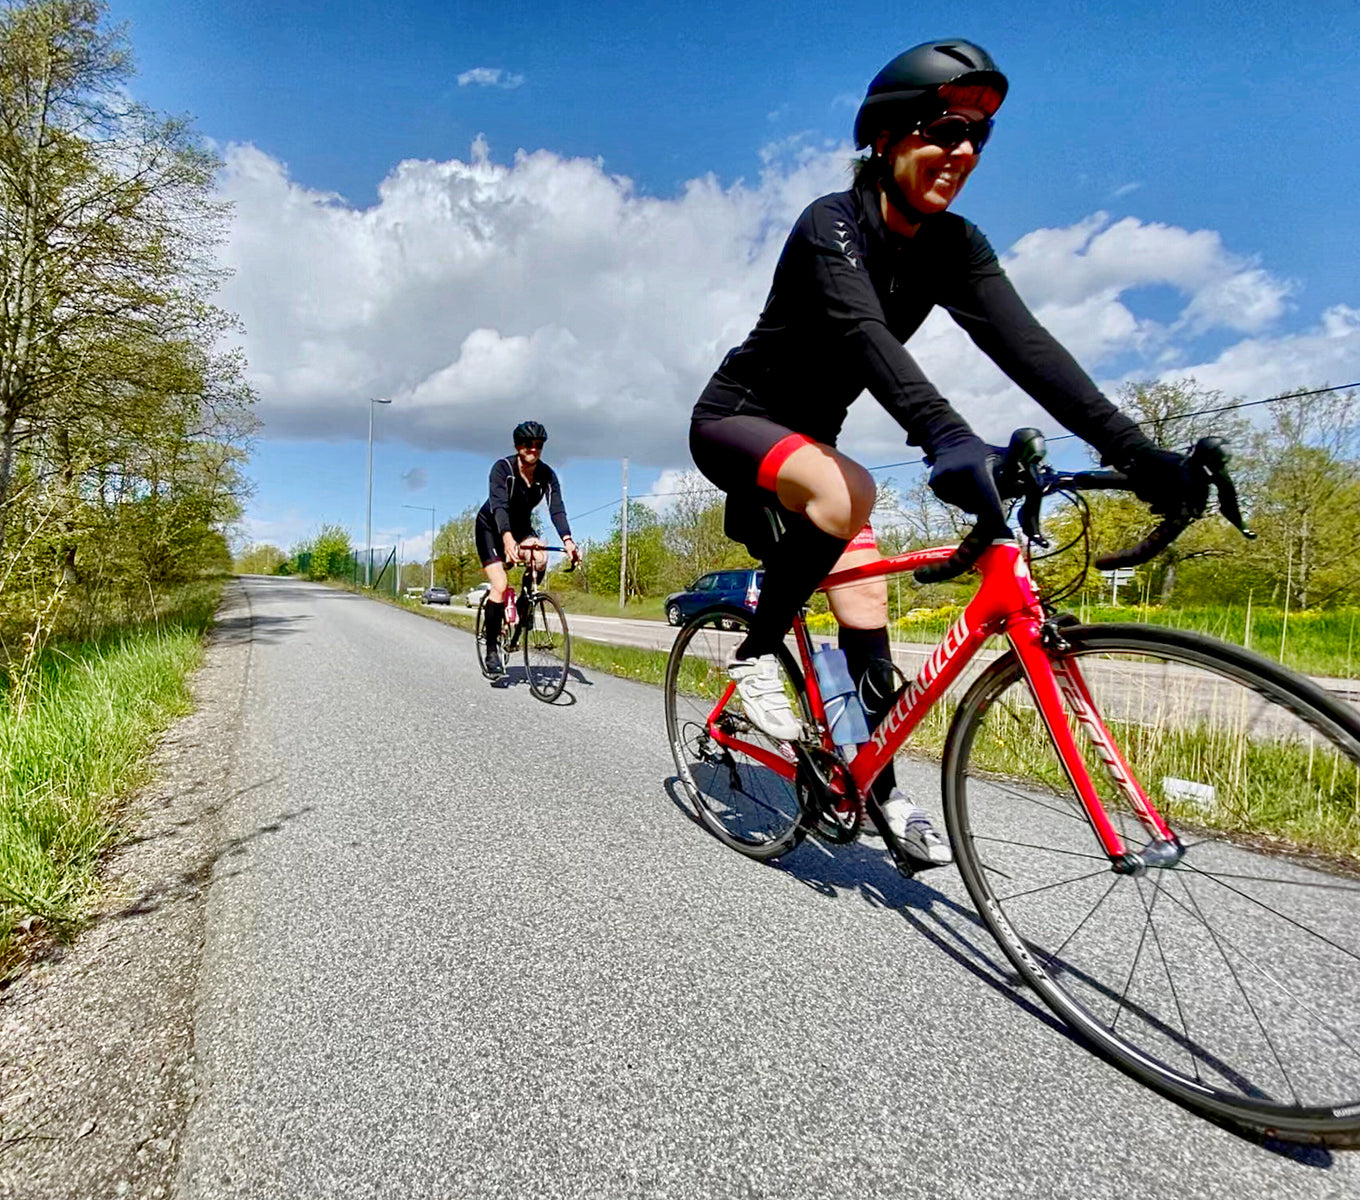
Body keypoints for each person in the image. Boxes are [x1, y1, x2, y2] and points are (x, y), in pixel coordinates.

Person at [687, 39, 1203, 865]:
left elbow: (1030, 349)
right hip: (734, 420)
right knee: (849, 490)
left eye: (977, 139)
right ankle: (753, 660)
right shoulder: (833, 223)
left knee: (866, 608)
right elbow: (862, 335)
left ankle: (877, 789)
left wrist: (1139, 456)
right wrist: (947, 436)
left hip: (812, 445)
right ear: (888, 137)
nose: (961, 152)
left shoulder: (954, 246)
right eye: (941, 130)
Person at [475, 422, 581, 674]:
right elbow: (499, 505)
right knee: (499, 585)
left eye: (539, 445)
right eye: (527, 444)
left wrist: (568, 540)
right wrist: (507, 538)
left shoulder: (547, 475)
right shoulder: (502, 469)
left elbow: (556, 509)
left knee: (541, 556)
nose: (533, 449)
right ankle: (491, 650)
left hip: (521, 527)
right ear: (518, 446)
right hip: (491, 527)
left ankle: (525, 604)